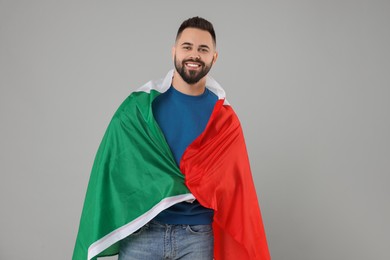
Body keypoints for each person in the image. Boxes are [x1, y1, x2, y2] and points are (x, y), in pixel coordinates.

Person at [73, 17, 270, 260]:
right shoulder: (140, 109)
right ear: (174, 51)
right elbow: (113, 170)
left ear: (214, 58)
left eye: (203, 49)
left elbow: (236, 190)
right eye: (187, 47)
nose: (194, 55)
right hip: (142, 234)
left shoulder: (224, 120)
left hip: (196, 237)